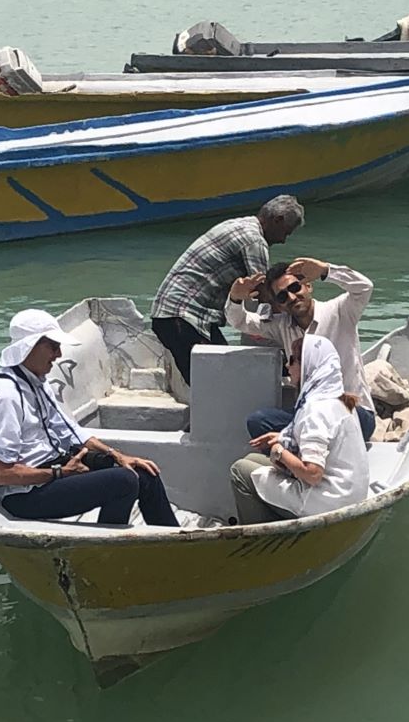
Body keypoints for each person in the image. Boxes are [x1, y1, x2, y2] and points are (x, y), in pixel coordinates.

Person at [0, 308, 179, 527]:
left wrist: (118, 456)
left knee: (143, 473)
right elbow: (0, 474)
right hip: (25, 495)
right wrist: (60, 473)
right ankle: (106, 549)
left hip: (55, 469)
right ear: (29, 347)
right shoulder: (6, 394)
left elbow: (70, 432)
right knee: (125, 481)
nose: (58, 354)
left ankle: (178, 545)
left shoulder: (37, 383)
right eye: (53, 346)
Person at [150, 194, 305, 388]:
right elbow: (265, 294)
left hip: (180, 314)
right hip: (183, 316)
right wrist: (298, 326)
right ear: (278, 220)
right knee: (215, 384)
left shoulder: (238, 224)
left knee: (221, 374)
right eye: (286, 232)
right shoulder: (254, 241)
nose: (283, 240)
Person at [226, 257, 377, 442]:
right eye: (282, 296)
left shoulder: (340, 311)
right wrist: (235, 298)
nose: (291, 297)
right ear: (279, 305)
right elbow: (240, 321)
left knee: (329, 415)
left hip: (351, 413)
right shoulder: (281, 326)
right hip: (308, 415)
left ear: (308, 286)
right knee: (258, 422)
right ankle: (300, 452)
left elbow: (364, 287)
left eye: (295, 288)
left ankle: (297, 448)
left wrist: (325, 270)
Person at [229, 335, 369, 525]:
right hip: (349, 493)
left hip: (326, 502)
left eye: (292, 360)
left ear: (307, 365)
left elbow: (312, 474)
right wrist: (282, 437)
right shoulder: (341, 400)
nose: (288, 366)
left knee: (239, 470)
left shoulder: (315, 409)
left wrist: (279, 451)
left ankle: (262, 535)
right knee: (252, 461)